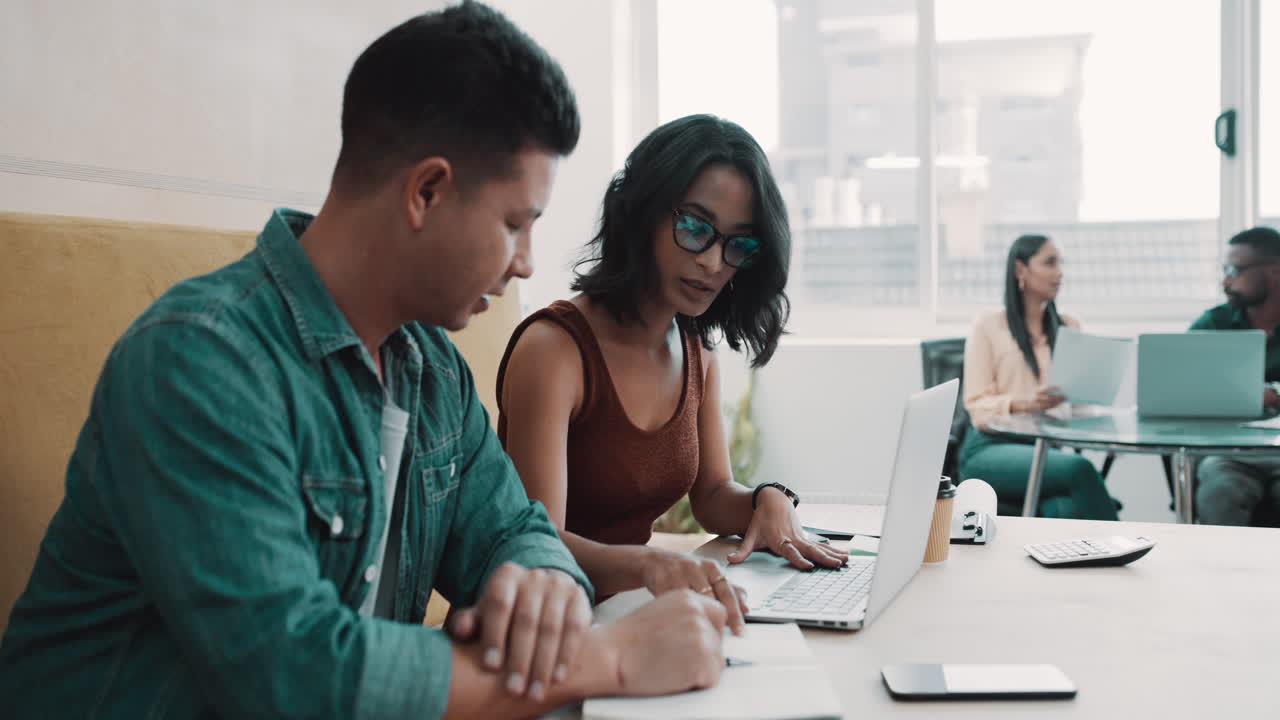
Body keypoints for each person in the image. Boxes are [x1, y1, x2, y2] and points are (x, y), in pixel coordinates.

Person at [0, 5, 730, 719]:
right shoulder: (197, 360)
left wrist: (543, 586)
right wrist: (613, 659)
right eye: (515, 224)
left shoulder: (432, 373)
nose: (525, 265)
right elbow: (294, 674)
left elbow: (521, 533)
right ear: (427, 191)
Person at [495, 114, 847, 628]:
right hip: (544, 627)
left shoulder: (696, 349)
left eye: (738, 244)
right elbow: (537, 546)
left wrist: (765, 500)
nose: (713, 263)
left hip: (630, 610)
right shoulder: (555, 351)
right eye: (695, 228)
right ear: (641, 214)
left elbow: (710, 497)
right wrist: (655, 565)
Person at [958, 234, 1118, 520]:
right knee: (1080, 469)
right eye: (1049, 263)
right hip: (990, 449)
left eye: (1060, 263)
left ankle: (1093, 563)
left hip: (1045, 450)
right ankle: (1124, 548)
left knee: (1062, 510)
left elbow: (1078, 402)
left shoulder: (1069, 327)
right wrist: (1028, 403)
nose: (1060, 273)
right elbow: (977, 408)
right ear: (1021, 269)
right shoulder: (988, 326)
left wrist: (1111, 422)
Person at [1192, 226, 1280, 526]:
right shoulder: (1214, 324)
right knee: (1220, 488)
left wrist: (1274, 394)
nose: (1225, 280)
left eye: (1235, 269)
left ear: (1274, 273)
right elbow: (1182, 382)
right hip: (1230, 452)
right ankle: (1220, 574)